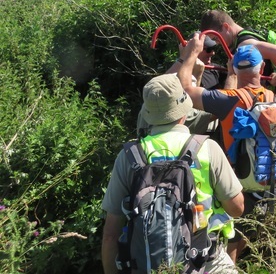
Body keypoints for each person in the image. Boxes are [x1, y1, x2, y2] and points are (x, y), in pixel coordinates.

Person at [101, 74, 244, 274]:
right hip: (207, 262)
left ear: (147, 114)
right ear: (184, 112)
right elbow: (237, 208)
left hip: (147, 265)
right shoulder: (206, 148)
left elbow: (110, 234)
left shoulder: (129, 156)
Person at [175, 36, 276, 262]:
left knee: (229, 239)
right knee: (246, 233)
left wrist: (190, 54)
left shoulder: (228, 99)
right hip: (268, 181)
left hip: (237, 185)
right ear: (261, 68)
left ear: (233, 68)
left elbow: (184, 89)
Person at [200, 10, 276, 87]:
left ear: (226, 27)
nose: (217, 42)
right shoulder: (244, 33)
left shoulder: (245, 44)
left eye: (216, 38)